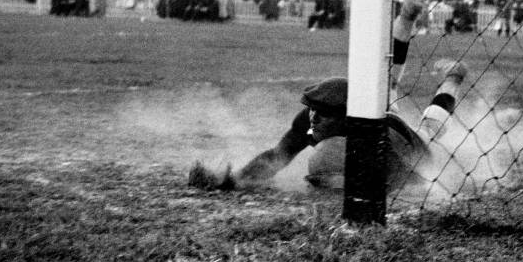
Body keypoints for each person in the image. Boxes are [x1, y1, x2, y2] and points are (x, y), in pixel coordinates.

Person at [188, 60, 467, 191]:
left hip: (414, 145)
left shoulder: (381, 135)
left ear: (347, 117)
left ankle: (453, 79)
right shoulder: (310, 121)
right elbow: (276, 156)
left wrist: (349, 182)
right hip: (375, 128)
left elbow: (413, 177)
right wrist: (232, 181)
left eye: (323, 114)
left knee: (431, 132)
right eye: (312, 110)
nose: (313, 119)